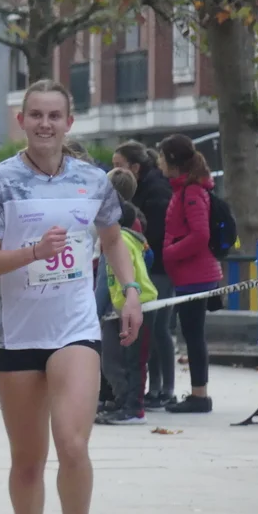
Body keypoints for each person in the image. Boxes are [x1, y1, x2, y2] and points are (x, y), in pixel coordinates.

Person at [0, 79, 143, 514]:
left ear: (69, 123)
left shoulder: (92, 180)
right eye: (36, 115)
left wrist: (130, 291)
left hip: (75, 329)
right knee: (28, 460)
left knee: (72, 444)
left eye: (54, 116)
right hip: (19, 335)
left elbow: (113, 238)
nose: (45, 124)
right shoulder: (1, 181)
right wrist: (31, 253)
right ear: (21, 121)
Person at [156, 133, 220, 414]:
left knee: (193, 335)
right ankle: (198, 392)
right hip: (188, 275)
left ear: (172, 160)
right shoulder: (182, 189)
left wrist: (170, 252)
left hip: (196, 276)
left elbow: (200, 235)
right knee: (191, 333)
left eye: (161, 156)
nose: (158, 162)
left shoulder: (191, 192)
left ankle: (199, 395)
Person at [112, 140, 175, 408]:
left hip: (158, 268)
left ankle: (165, 388)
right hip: (146, 267)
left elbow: (157, 233)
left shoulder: (156, 190)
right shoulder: (137, 190)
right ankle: (154, 388)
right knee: (152, 330)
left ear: (135, 167)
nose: (115, 170)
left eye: (119, 165)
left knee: (159, 329)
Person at [95, 170, 158, 425]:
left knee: (135, 362)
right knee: (118, 359)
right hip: (120, 308)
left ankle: (134, 409)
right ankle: (123, 402)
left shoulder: (122, 242)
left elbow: (124, 275)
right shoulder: (121, 240)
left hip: (140, 306)